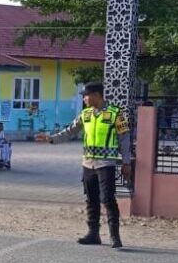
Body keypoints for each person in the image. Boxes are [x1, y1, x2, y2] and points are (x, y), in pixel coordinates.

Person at [49, 83, 133, 248]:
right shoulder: (85, 114)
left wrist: (126, 162)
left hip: (106, 163)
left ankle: (114, 236)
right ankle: (93, 234)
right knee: (91, 199)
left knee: (108, 199)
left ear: (96, 95)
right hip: (88, 164)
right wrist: (52, 139)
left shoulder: (116, 113)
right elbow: (71, 131)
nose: (84, 99)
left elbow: (124, 138)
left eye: (86, 96)